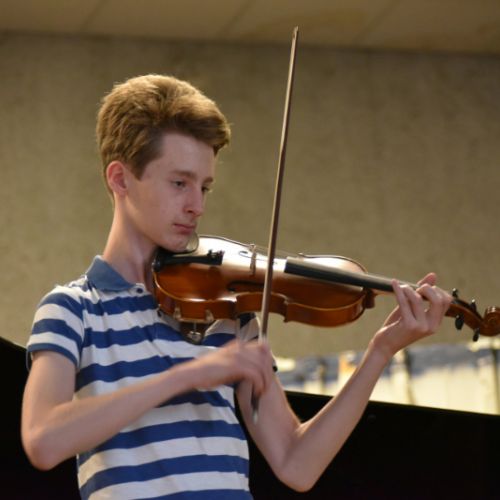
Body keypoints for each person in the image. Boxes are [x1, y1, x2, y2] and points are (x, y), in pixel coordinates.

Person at [21, 74, 452, 499]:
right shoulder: (73, 310)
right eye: (179, 183)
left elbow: (297, 464)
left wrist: (380, 353)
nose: (197, 206)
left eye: (205, 186)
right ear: (120, 179)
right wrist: (190, 374)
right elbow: (43, 440)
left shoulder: (226, 314)